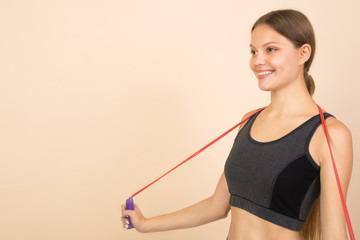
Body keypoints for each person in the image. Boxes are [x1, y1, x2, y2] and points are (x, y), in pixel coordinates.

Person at [121, 9, 353, 240]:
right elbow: (217, 205)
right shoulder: (248, 121)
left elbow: (334, 234)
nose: (257, 61)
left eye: (270, 49)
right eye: (253, 51)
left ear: (303, 53)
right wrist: (145, 224)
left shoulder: (329, 134)